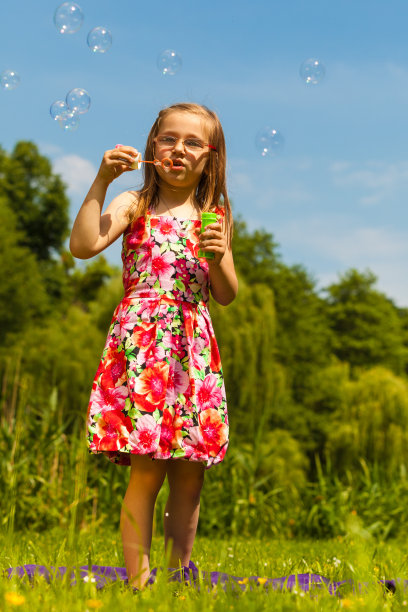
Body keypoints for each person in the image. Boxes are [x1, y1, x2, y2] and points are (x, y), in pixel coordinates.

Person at [69, 102, 238, 590]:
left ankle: (177, 576)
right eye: (169, 139)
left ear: (210, 157)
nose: (178, 149)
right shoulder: (132, 203)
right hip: (144, 349)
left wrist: (220, 254)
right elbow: (82, 246)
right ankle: (140, 584)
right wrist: (101, 181)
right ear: (151, 148)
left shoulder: (214, 216)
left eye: (192, 142)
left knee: (190, 475)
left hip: (192, 352)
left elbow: (225, 294)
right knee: (147, 472)